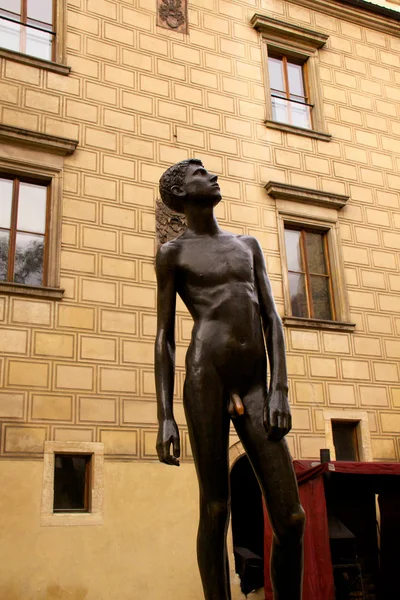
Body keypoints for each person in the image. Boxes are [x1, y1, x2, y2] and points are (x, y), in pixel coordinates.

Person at [155, 159, 305, 600]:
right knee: (215, 507)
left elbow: (272, 319)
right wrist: (165, 416)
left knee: (291, 518)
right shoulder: (173, 253)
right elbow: (164, 337)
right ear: (181, 193)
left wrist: (280, 387)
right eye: (200, 173)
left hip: (258, 383)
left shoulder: (248, 245)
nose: (212, 175)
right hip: (206, 375)